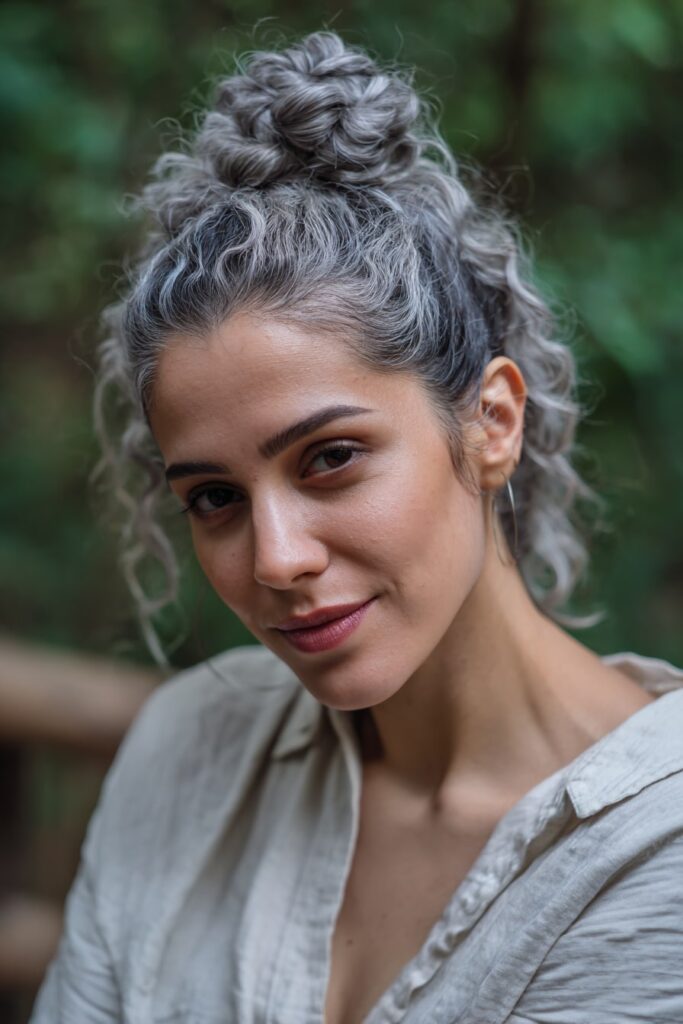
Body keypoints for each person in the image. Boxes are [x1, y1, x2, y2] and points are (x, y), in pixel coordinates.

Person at [31, 30, 683, 1024]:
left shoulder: (656, 851)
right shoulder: (189, 752)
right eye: (213, 497)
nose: (276, 558)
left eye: (329, 458)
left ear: (490, 423)